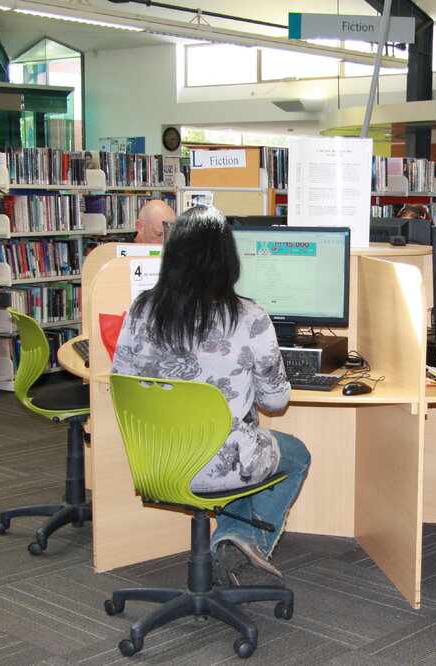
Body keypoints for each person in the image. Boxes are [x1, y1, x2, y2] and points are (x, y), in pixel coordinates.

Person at [111, 205, 310, 586]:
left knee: (243, 445)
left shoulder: (141, 311)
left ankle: (231, 545)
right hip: (220, 466)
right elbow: (275, 402)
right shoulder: (249, 317)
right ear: (227, 260)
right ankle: (236, 543)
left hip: (156, 460)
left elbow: (122, 381)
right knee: (295, 453)